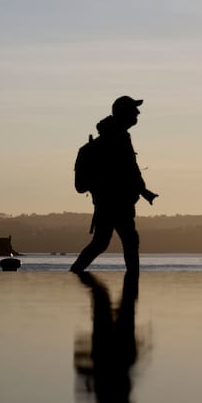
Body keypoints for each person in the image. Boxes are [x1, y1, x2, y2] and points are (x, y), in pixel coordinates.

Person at [70, 96, 158, 273]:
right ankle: (131, 283)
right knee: (123, 241)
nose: (138, 112)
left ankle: (75, 274)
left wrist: (143, 191)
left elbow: (130, 171)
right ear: (124, 113)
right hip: (113, 203)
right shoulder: (116, 139)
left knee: (105, 242)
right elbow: (128, 170)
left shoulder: (120, 137)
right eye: (134, 109)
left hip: (114, 203)